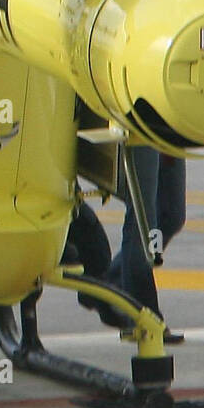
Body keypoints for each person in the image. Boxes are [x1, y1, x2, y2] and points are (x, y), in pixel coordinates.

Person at [80, 147, 186, 343]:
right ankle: (143, 316)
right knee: (142, 216)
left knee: (170, 214)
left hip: (168, 127)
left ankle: (109, 284)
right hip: (137, 124)